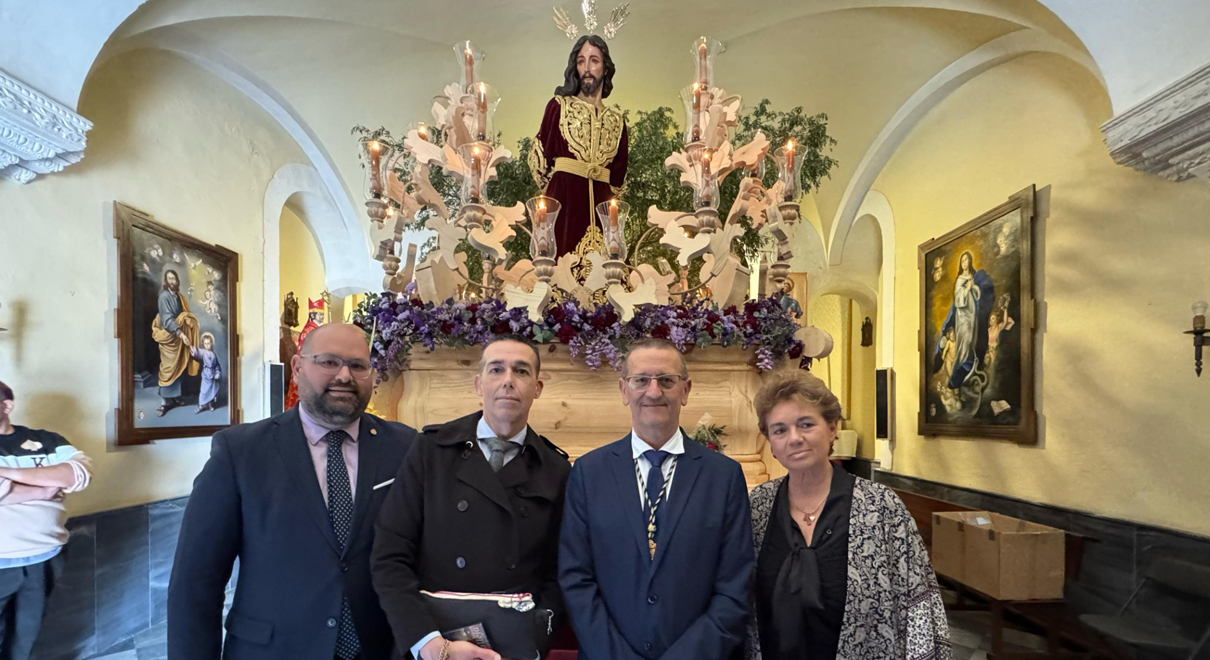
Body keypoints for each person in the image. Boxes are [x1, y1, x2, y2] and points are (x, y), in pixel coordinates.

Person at [168, 324, 417, 660]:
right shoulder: (240, 452)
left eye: (357, 366)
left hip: (379, 648)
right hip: (273, 649)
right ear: (298, 368)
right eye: (329, 362)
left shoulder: (406, 447)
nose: (344, 375)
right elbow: (195, 582)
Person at [372, 336, 570, 660]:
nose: (508, 381)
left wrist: (529, 641)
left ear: (538, 387)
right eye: (496, 370)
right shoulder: (430, 451)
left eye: (521, 371)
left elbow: (559, 573)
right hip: (432, 645)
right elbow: (390, 555)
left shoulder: (556, 470)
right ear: (479, 384)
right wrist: (430, 644)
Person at [559, 338, 753, 660]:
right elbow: (575, 578)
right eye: (641, 380)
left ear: (686, 390)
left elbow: (734, 586)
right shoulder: (588, 473)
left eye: (666, 380)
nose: (653, 391)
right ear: (624, 390)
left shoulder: (723, 477)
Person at [745, 371, 950, 660]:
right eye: (779, 430)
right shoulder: (759, 506)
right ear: (769, 441)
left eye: (806, 424)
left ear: (832, 428)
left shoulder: (880, 507)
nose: (794, 438)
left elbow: (919, 604)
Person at [0, 380, 92, 660]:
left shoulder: (46, 440)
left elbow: (79, 474)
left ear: (6, 406)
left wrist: (7, 473)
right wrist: (45, 489)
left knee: (26, 636)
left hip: (44, 556)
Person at [530, 34, 629, 256]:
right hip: (564, 203)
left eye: (594, 60)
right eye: (581, 61)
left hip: (603, 209)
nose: (587, 67)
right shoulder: (558, 106)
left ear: (605, 68)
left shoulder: (617, 120)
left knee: (608, 273)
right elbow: (539, 161)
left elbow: (618, 180)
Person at [933, 251, 993, 391]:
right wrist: (966, 290)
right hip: (963, 317)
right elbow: (959, 301)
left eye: (966, 260)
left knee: (971, 340)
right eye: (963, 261)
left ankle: (969, 362)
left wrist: (973, 287)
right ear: (961, 264)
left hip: (972, 315)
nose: (965, 263)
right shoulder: (960, 279)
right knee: (964, 340)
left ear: (970, 261)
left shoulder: (973, 277)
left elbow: (978, 295)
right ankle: (962, 365)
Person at [153, 268, 200, 416]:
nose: (172, 281)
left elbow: (183, 314)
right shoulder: (164, 296)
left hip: (179, 336)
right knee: (168, 368)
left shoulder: (179, 297)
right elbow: (167, 319)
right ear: (166, 281)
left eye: (174, 278)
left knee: (179, 365)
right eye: (169, 279)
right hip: (169, 335)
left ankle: (175, 396)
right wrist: (180, 334)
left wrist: (187, 319)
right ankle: (164, 402)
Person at [190, 332, 222, 414]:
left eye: (208, 343)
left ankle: (210, 404)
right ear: (203, 344)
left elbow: (217, 365)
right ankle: (201, 406)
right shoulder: (203, 352)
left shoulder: (213, 354)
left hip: (213, 374)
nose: (207, 345)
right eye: (205, 343)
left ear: (211, 344)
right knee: (204, 391)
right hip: (206, 375)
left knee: (211, 391)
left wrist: (217, 373)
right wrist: (193, 351)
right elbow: (198, 353)